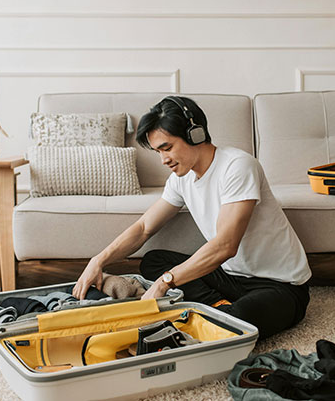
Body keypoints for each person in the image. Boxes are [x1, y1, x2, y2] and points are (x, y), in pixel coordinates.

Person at [72, 96, 311, 339]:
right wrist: (98, 260)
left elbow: (226, 246)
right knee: (154, 260)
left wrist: (164, 283)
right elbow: (144, 227)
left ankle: (222, 313)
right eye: (158, 152)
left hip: (279, 285)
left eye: (167, 148)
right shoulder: (180, 178)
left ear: (195, 134)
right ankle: (218, 306)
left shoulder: (238, 166)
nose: (163, 159)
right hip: (229, 276)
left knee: (236, 321)